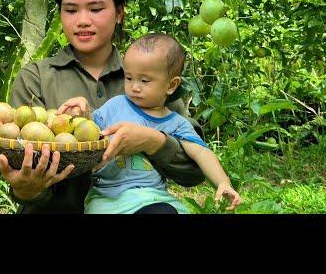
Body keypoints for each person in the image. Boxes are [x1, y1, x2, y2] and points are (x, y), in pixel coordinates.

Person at [0, 0, 206, 214]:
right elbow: (20, 172)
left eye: (96, 9)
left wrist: (152, 141)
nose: (82, 21)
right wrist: (27, 187)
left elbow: (194, 172)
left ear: (119, 13)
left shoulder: (153, 75)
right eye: (71, 10)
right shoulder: (36, 78)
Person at [62, 32, 242, 214]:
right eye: (129, 78)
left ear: (171, 85)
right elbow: (89, 128)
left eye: (144, 80)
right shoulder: (116, 105)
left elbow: (202, 152)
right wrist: (80, 113)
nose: (134, 87)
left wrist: (223, 182)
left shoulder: (177, 124)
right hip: (108, 198)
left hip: (153, 197)